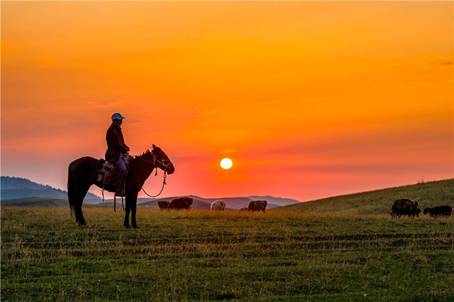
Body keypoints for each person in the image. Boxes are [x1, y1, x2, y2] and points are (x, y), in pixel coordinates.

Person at [105, 112, 130, 196]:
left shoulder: (117, 130)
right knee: (123, 170)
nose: (121, 122)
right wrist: (124, 149)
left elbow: (121, 143)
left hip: (118, 153)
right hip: (114, 155)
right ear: (116, 120)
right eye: (120, 120)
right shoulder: (112, 131)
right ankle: (118, 190)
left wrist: (126, 147)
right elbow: (116, 144)